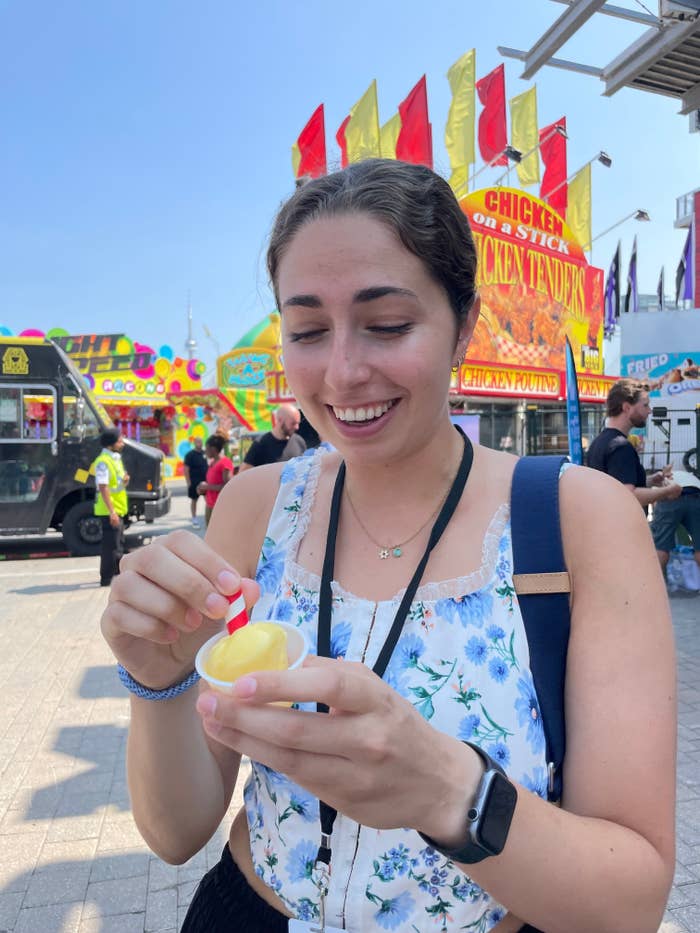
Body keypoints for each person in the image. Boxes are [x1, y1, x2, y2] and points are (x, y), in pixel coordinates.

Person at [101, 160, 675, 933]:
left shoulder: (577, 519)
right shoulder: (256, 508)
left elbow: (632, 900)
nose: (342, 372)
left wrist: (448, 790)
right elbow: (175, 833)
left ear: (464, 324)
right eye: (306, 330)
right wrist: (157, 679)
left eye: (388, 324)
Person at [586, 378, 682, 509]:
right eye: (645, 405)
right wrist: (667, 491)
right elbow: (628, 496)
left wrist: (649, 481)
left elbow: (616, 486)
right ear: (626, 407)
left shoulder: (599, 442)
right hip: (623, 526)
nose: (650, 411)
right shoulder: (621, 447)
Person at [92, 428, 129, 587]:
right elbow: (103, 487)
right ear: (111, 443)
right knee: (110, 547)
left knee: (118, 543)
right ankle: (106, 579)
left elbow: (116, 484)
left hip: (118, 508)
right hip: (109, 510)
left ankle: (116, 574)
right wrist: (112, 512)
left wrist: (125, 481)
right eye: (119, 440)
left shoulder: (115, 458)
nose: (122, 443)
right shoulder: (103, 462)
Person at [650, 467, 700, 576]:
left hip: (669, 497)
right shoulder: (690, 476)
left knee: (661, 545)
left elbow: (655, 501)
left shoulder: (659, 479)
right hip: (696, 496)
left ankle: (654, 585)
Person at [238, 403, 306, 472]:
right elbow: (243, 473)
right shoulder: (261, 444)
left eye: (298, 423)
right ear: (280, 420)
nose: (297, 427)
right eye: (293, 423)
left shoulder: (299, 442)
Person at [196, 435, 232, 527]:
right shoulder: (212, 463)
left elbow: (228, 486)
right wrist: (202, 489)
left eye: (207, 448)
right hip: (210, 505)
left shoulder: (225, 463)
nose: (205, 451)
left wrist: (207, 486)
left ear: (213, 449)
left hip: (220, 507)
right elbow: (213, 484)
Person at [183, 437, 208, 527]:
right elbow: (186, 469)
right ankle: (194, 518)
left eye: (201, 442)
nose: (199, 443)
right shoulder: (189, 455)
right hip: (194, 482)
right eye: (197, 442)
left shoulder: (205, 453)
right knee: (194, 500)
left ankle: (208, 518)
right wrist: (188, 482)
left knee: (208, 501)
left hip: (205, 482)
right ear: (194, 443)